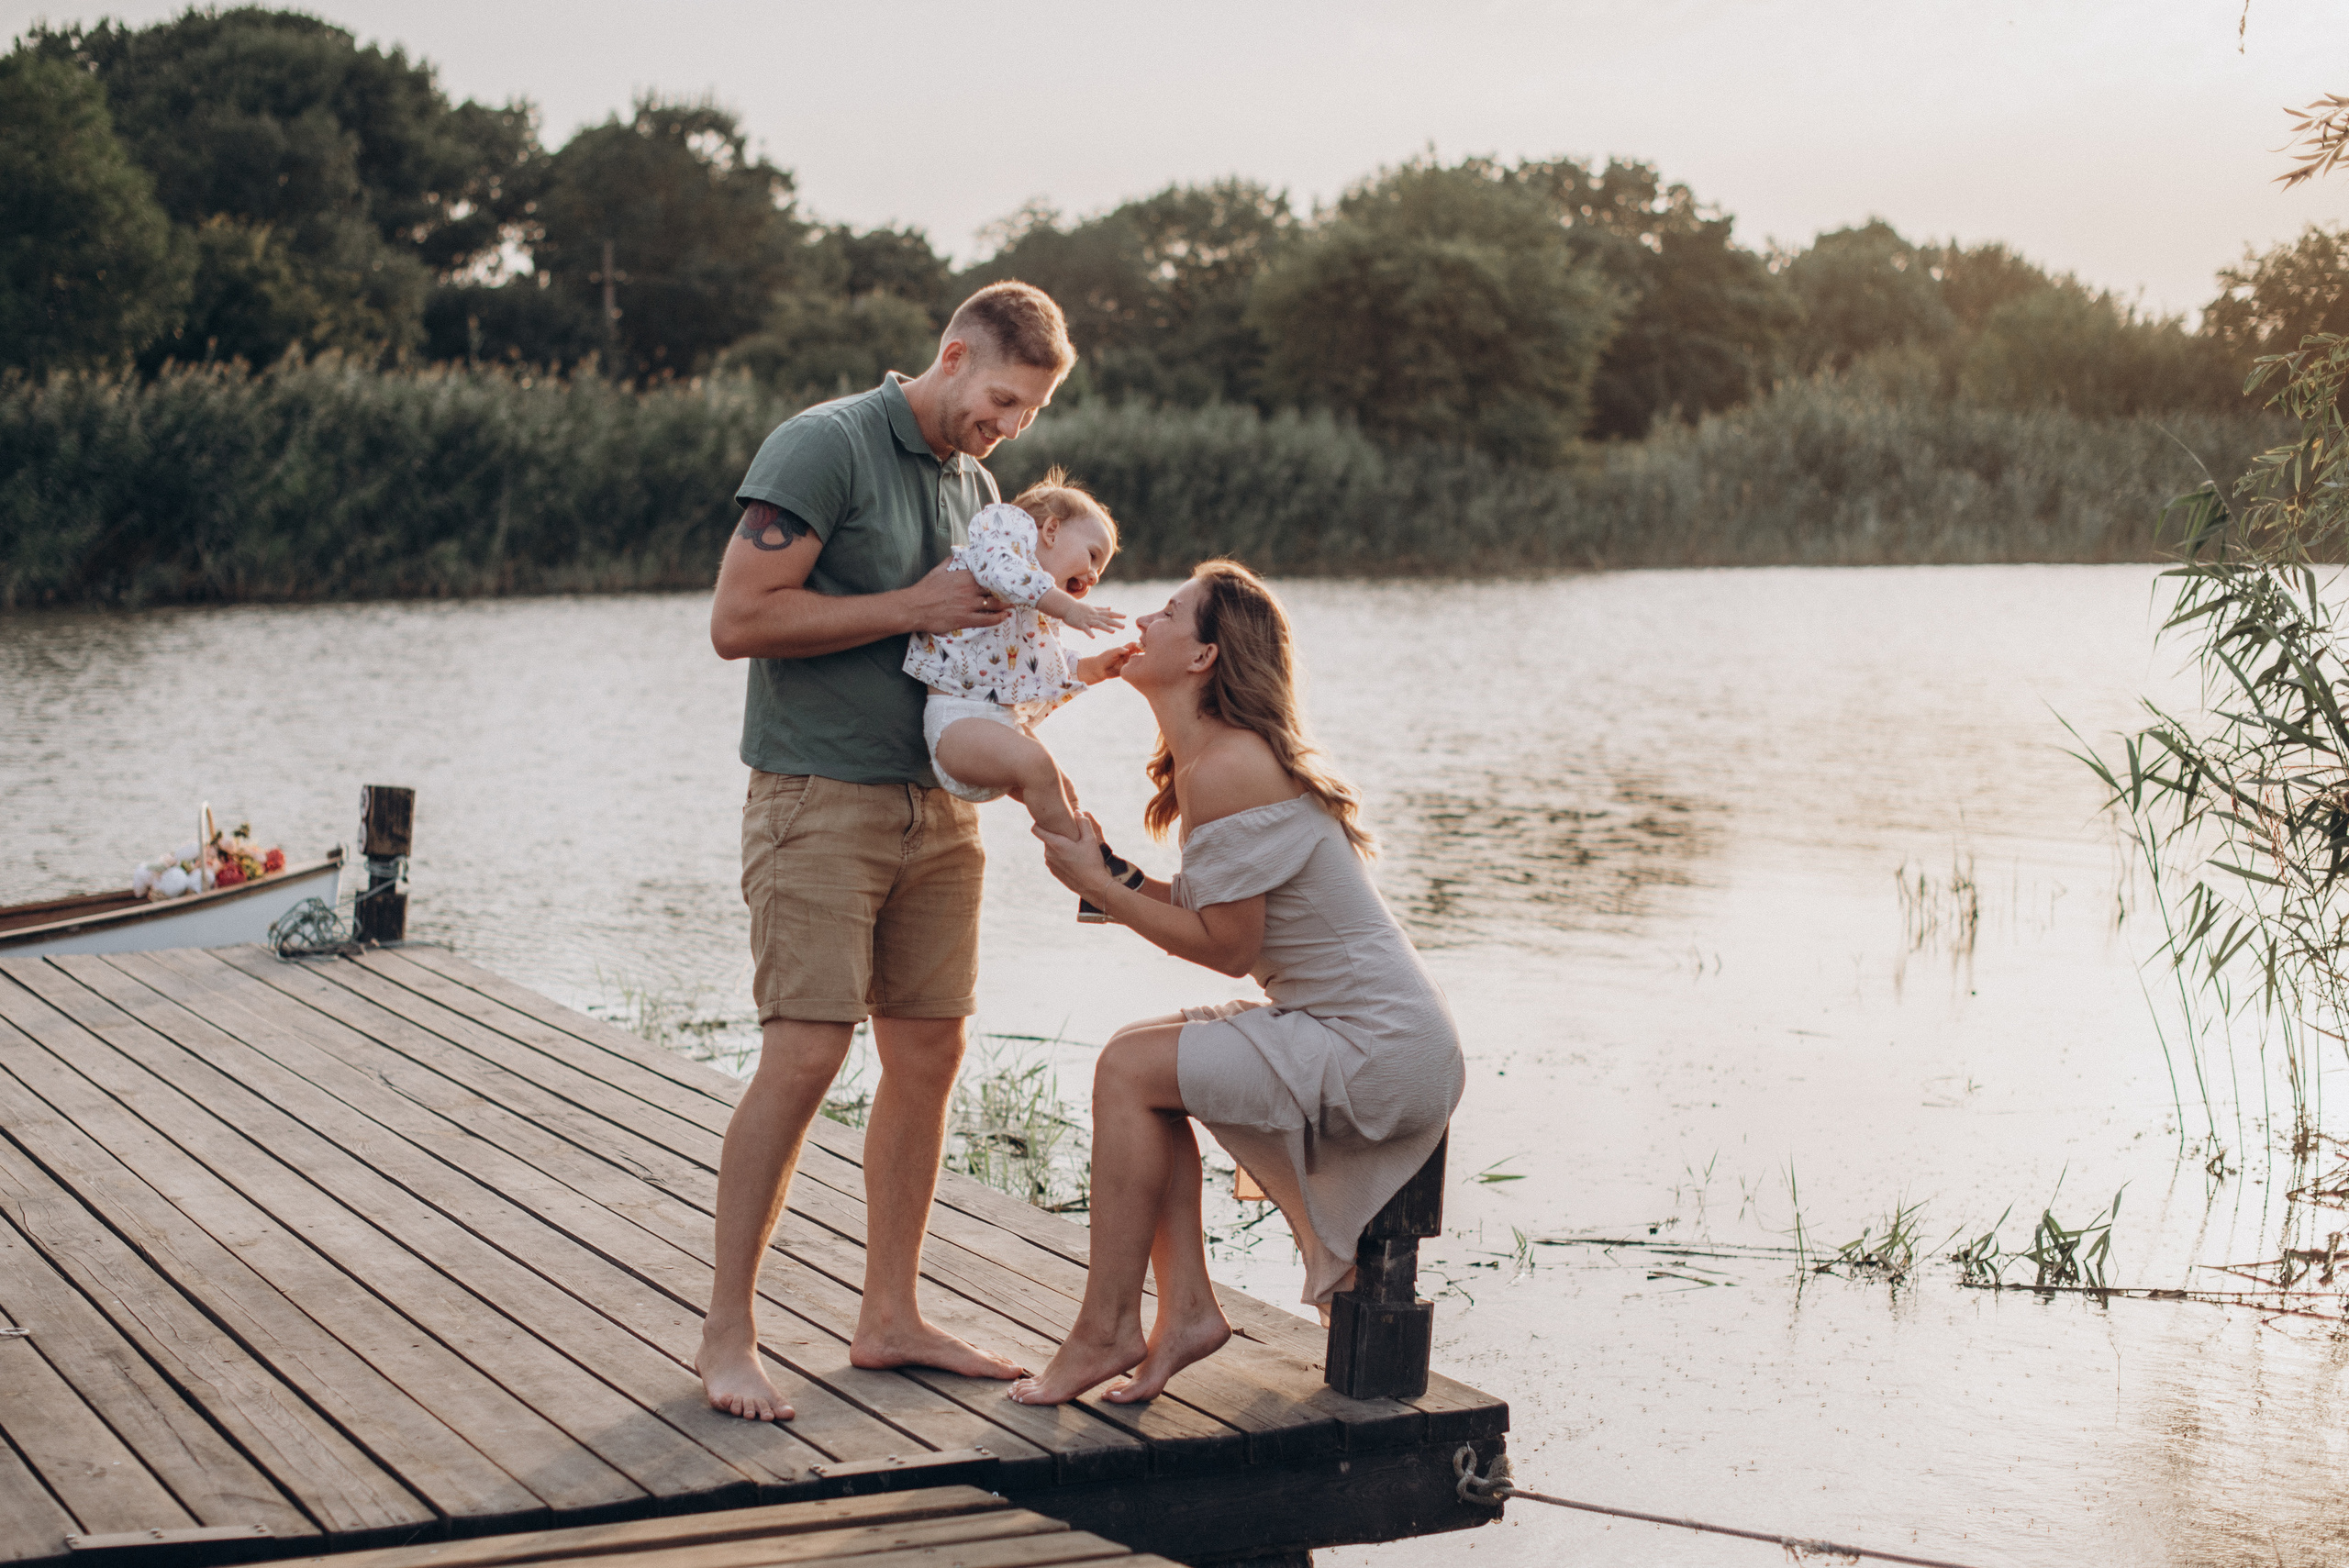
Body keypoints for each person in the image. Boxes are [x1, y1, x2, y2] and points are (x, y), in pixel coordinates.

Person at [699, 281, 1074, 1422]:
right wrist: (911, 603)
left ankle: (889, 1315)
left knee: (930, 1052)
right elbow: (738, 620)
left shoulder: (978, 483)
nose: (1007, 426)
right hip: (817, 798)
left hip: (935, 809)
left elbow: (973, 642)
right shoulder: (825, 444)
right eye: (1001, 399)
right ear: (953, 355)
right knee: (807, 1054)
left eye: (1027, 413)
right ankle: (726, 1336)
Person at [1009, 561, 1465, 1406]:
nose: (1144, 617)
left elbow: (1225, 945)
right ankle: (1182, 1312)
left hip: (1383, 1047)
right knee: (1135, 1062)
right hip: (1375, 1033)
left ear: (1203, 657)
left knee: (1127, 1071)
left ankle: (1111, 1328)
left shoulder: (1229, 765)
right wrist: (1104, 869)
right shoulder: (1215, 762)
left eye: (1171, 610)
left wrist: (1104, 887)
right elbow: (1210, 905)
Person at [904, 471, 1130, 840]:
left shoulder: (1032, 607)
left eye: (1099, 574)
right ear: (1051, 530)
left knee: (1063, 789)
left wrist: (1096, 667)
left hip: (999, 724)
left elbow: (1039, 663)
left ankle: (1095, 857)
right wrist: (1067, 608)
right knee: (1038, 765)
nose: (1092, 576)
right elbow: (1008, 574)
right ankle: (1088, 868)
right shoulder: (1001, 547)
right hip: (958, 724)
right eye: (1092, 557)